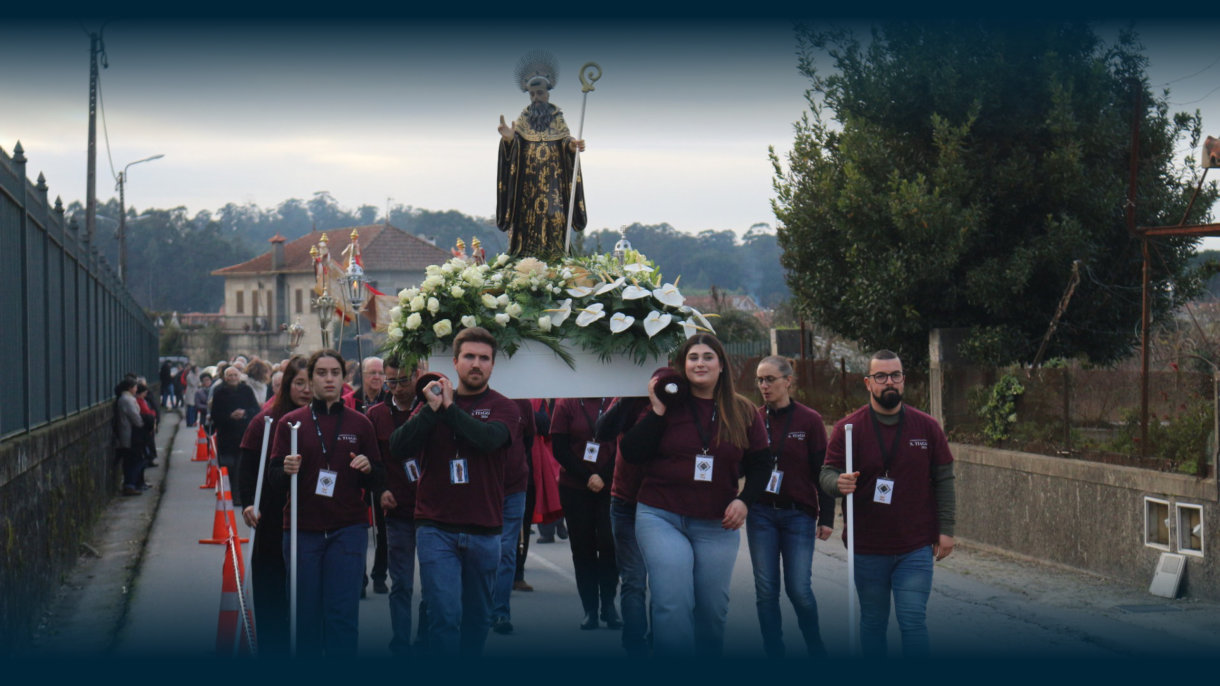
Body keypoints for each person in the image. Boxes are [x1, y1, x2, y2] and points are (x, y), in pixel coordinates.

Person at [620, 334, 771, 656]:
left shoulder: (743, 411)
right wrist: (658, 411)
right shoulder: (669, 404)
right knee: (672, 603)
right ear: (683, 365)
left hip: (717, 523)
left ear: (721, 365)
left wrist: (744, 500)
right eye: (693, 358)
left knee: (712, 611)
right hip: (661, 516)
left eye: (707, 357)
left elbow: (761, 464)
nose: (700, 363)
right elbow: (631, 452)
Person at [388, 327, 523, 656]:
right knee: (444, 615)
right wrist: (432, 410)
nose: (476, 364)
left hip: (484, 528)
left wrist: (449, 410)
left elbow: (488, 440)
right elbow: (398, 446)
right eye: (469, 356)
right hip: (436, 527)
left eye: (484, 358)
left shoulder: (504, 407)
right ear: (455, 361)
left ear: (493, 365)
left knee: (477, 619)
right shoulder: (432, 403)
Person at [819, 349, 956, 658]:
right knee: (873, 623)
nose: (889, 382)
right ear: (868, 383)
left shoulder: (927, 427)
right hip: (867, 547)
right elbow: (827, 473)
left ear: (903, 380)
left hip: (915, 546)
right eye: (881, 376)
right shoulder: (848, 429)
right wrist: (838, 483)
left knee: (913, 621)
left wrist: (946, 529)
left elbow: (945, 479)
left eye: (895, 375)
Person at [268, 349, 385, 656]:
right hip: (302, 529)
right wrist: (285, 470)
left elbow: (378, 478)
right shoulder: (291, 424)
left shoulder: (361, 424)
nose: (328, 379)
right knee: (305, 615)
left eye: (335, 373)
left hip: (348, 529)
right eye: (321, 373)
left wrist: (368, 468)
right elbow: (273, 479)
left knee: (342, 614)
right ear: (310, 379)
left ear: (344, 378)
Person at [747, 356, 834, 658]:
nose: (764, 385)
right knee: (766, 590)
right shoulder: (754, 419)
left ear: (788, 381)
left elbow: (823, 470)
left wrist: (827, 517)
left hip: (798, 514)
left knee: (799, 589)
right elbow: (741, 464)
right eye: (760, 380)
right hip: (760, 513)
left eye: (770, 379)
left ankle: (815, 647)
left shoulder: (810, 420)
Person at [236, 355, 310, 657]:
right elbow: (246, 467)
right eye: (299, 383)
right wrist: (247, 504)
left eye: (310, 382)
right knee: (272, 592)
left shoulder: (322, 420)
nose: (306, 389)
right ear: (288, 384)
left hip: (310, 517)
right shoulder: (264, 421)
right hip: (271, 516)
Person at [495, 50, 587, 259]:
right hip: (527, 188)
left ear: (547, 93)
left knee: (555, 219)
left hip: (554, 186)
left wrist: (573, 146)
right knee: (527, 224)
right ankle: (525, 263)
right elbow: (515, 148)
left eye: (540, 93)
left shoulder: (557, 118)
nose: (536, 98)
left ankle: (557, 261)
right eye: (532, 94)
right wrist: (509, 140)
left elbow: (565, 142)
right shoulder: (524, 119)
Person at [369, 356, 427, 655]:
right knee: (401, 582)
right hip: (397, 510)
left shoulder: (429, 408)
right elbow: (372, 461)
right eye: (391, 382)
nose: (398, 388)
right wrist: (380, 490)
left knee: (433, 584)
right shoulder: (376, 415)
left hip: (432, 510)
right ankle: (400, 641)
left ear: (417, 375)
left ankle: (425, 638)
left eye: (403, 381)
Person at [550, 397, 620, 630]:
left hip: (610, 486)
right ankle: (590, 608)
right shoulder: (566, 404)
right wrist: (587, 476)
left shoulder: (617, 400)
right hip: (575, 486)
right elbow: (559, 448)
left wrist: (603, 476)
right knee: (583, 548)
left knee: (609, 545)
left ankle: (608, 604)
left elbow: (623, 444)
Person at [596, 394, 653, 656]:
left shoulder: (675, 392)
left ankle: (660, 639)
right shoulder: (627, 397)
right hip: (626, 500)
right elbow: (603, 431)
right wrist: (628, 399)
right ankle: (634, 645)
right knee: (633, 579)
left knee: (664, 580)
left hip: (663, 500)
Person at [489, 398, 534, 635]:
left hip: (514, 487)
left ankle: (500, 612)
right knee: (482, 549)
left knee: (506, 550)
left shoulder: (523, 403)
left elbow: (528, 441)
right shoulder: (478, 398)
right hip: (483, 487)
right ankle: (481, 607)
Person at [352, 356, 390, 597]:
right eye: (371, 373)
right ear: (363, 375)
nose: (376, 377)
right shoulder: (351, 400)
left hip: (381, 471)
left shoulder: (389, 401)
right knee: (358, 528)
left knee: (384, 530)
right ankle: (360, 578)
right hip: (356, 470)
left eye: (380, 373)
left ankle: (379, 575)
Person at [211, 365, 261, 504]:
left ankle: (238, 496)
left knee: (241, 467)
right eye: (230, 375)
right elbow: (215, 414)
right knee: (228, 466)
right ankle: (226, 492)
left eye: (235, 375)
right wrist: (230, 416)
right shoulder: (219, 392)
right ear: (225, 378)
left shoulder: (247, 390)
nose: (233, 378)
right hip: (226, 436)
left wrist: (244, 413)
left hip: (243, 434)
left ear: (239, 377)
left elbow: (256, 409)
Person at [113, 378, 145, 496]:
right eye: (135, 387)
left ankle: (131, 484)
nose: (136, 389)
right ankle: (130, 485)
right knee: (134, 460)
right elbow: (135, 417)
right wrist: (143, 423)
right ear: (130, 388)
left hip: (127, 434)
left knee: (131, 460)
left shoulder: (125, 399)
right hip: (130, 435)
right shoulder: (127, 400)